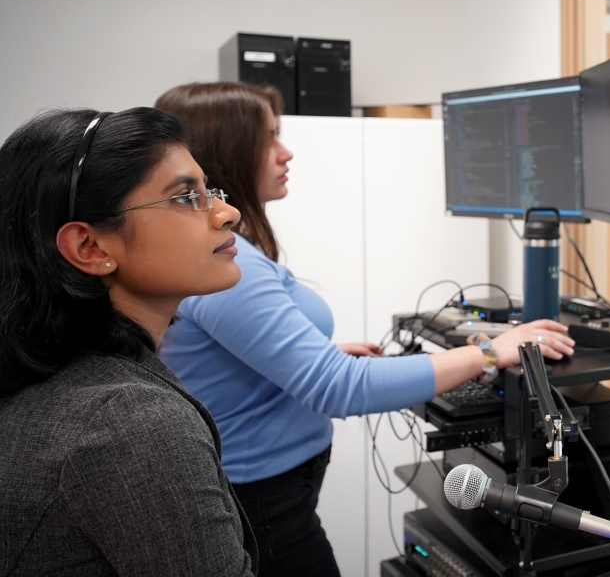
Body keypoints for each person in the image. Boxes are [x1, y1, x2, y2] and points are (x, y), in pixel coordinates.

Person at [156, 82, 574, 577]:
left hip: (271, 491)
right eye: (269, 138)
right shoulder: (230, 264)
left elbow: (238, 349)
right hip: (262, 503)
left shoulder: (232, 251)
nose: (285, 152)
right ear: (227, 149)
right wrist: (490, 352)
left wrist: (315, 352)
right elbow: (338, 388)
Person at [0, 107, 258, 575]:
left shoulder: (58, 380)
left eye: (210, 191)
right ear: (90, 248)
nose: (227, 212)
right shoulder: (129, 423)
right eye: (185, 198)